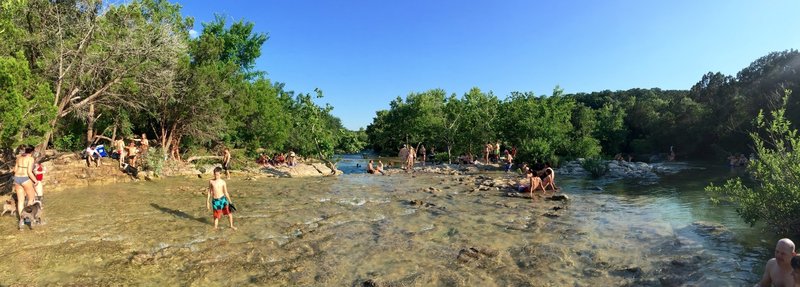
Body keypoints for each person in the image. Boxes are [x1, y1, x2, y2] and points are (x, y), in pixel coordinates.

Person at [13, 145, 39, 229]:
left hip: (16, 178)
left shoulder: (18, 157)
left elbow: (14, 170)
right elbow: (29, 172)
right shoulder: (30, 159)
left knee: (20, 201)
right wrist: (35, 181)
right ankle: (28, 220)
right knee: (31, 199)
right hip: (25, 178)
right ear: (31, 152)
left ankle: (22, 221)